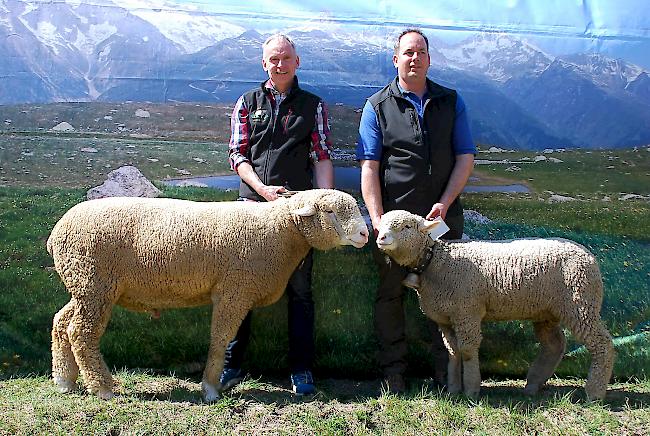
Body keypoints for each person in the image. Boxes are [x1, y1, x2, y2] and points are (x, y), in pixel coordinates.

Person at [356, 28, 476, 394]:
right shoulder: (377, 106)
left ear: (429, 58)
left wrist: (447, 202)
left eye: (421, 52)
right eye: (408, 52)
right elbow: (369, 167)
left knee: (447, 297)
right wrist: (378, 222)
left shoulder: (451, 101)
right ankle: (394, 374)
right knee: (391, 295)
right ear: (396, 59)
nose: (415, 58)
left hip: (441, 223)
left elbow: (465, 157)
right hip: (394, 226)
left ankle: (445, 373)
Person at [224, 33, 335, 395]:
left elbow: (321, 156)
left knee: (300, 291)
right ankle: (230, 366)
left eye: (286, 58)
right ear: (264, 64)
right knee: (240, 288)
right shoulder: (246, 102)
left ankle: (301, 371)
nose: (280, 64)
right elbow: (238, 156)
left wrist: (324, 201)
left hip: (297, 214)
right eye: (274, 59)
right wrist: (262, 190)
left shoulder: (312, 105)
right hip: (252, 211)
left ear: (297, 62)